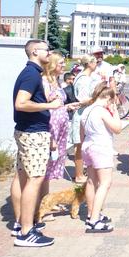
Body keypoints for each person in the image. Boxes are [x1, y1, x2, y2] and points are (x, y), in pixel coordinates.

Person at [10, 40, 64, 247]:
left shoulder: (30, 73)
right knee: (35, 179)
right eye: (46, 50)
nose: (49, 53)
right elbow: (21, 103)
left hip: (27, 131)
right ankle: (26, 232)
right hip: (33, 134)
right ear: (34, 52)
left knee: (22, 176)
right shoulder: (32, 74)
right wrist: (49, 105)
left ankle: (20, 223)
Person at [81, 83, 123, 233]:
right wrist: (115, 112)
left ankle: (91, 213)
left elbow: (82, 133)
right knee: (105, 183)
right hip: (101, 147)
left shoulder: (86, 110)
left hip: (88, 146)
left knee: (92, 181)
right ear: (107, 98)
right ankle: (94, 221)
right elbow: (117, 129)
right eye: (111, 101)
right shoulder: (101, 111)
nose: (111, 104)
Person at [42, 53, 78, 201]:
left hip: (60, 126)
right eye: (61, 63)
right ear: (52, 64)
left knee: (50, 167)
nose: (64, 66)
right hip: (52, 128)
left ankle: (46, 199)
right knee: (45, 166)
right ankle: (42, 203)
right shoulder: (44, 82)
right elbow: (45, 108)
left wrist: (68, 106)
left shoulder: (56, 81)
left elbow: (57, 104)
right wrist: (51, 138)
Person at [71, 54, 100, 183]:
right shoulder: (83, 79)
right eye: (94, 62)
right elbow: (83, 99)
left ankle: (82, 171)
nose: (96, 64)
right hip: (81, 114)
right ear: (89, 64)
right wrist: (97, 97)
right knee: (80, 145)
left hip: (86, 113)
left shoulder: (87, 77)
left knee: (84, 144)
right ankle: (78, 174)